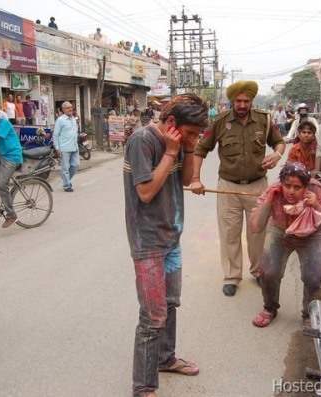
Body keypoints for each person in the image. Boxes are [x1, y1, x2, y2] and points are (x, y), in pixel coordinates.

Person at [124, 93, 208, 397]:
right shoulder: (142, 141)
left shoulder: (182, 141)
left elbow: (186, 180)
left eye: (199, 134)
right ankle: (143, 387)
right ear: (172, 122)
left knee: (171, 304)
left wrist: (189, 148)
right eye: (192, 132)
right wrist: (172, 152)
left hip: (172, 237)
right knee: (152, 316)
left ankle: (165, 358)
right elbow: (145, 192)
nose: (195, 138)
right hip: (148, 243)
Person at [190, 80, 286, 296]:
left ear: (251, 101)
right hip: (228, 188)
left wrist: (277, 154)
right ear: (232, 101)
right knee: (230, 234)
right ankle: (232, 276)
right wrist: (195, 178)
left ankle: (258, 270)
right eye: (238, 101)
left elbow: (279, 142)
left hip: (257, 186)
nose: (242, 105)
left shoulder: (265, 120)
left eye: (246, 101)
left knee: (257, 233)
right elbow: (200, 149)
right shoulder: (220, 122)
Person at [250, 162, 321, 327]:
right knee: (268, 272)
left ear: (306, 186)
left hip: (312, 234)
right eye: (287, 186)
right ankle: (269, 308)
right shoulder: (273, 191)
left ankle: (309, 314)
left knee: (315, 275)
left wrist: (317, 205)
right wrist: (269, 200)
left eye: (297, 187)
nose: (291, 191)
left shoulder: (317, 190)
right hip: (281, 231)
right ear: (281, 183)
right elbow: (255, 227)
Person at [53, 101, 79, 192]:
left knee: (75, 165)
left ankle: (66, 180)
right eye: (68, 108)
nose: (70, 109)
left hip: (74, 146)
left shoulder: (73, 119)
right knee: (65, 168)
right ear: (63, 109)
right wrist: (57, 148)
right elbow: (55, 135)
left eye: (71, 107)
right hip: (64, 148)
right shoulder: (60, 120)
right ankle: (67, 185)